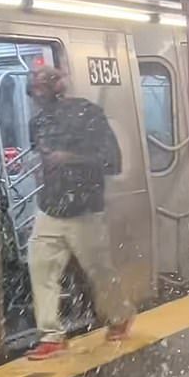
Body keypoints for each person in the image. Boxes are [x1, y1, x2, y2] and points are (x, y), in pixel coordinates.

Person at [25, 65, 135, 360]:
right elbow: (45, 161)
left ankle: (120, 315)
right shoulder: (37, 123)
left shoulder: (89, 115)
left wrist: (69, 159)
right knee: (40, 267)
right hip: (49, 207)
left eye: (41, 88)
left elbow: (112, 161)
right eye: (33, 90)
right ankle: (51, 335)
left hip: (84, 210)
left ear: (58, 86)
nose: (37, 96)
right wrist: (36, 169)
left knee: (98, 270)